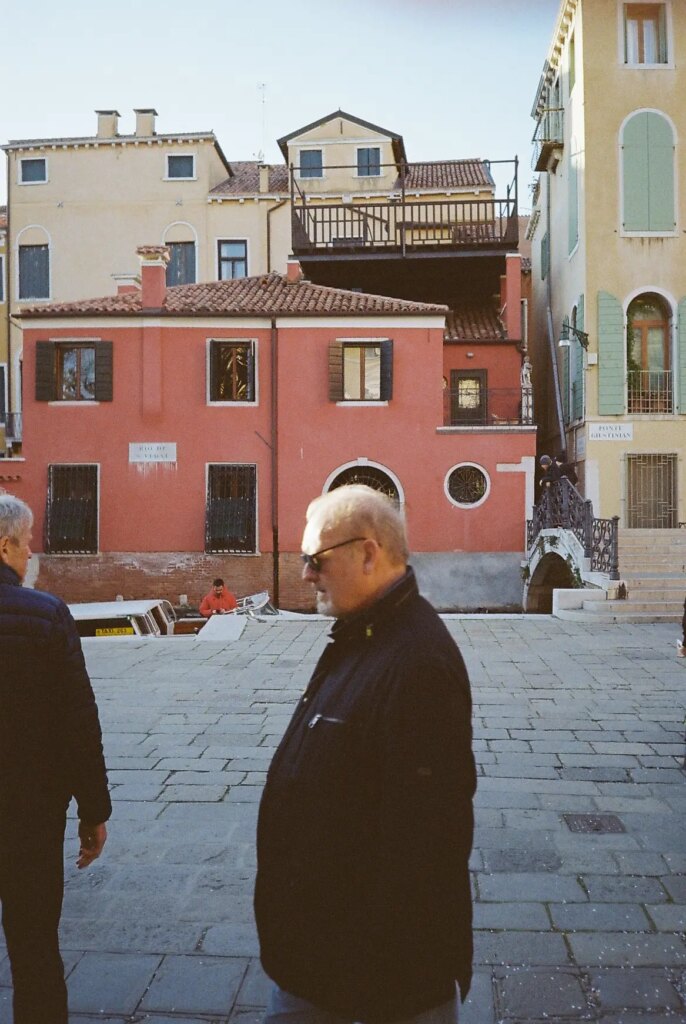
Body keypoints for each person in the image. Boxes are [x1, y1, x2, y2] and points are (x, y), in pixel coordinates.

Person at [255, 484, 476, 1024]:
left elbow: (424, 847)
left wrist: (355, 977)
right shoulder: (366, 636)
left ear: (369, 553)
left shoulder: (417, 663)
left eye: (315, 560)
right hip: (325, 958)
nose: (306, 575)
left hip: (374, 977)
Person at [0, 494, 111, 1024]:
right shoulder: (47, 614)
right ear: (6, 545)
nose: (31, 554)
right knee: (35, 950)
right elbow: (77, 724)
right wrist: (94, 811)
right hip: (29, 818)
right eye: (27, 543)